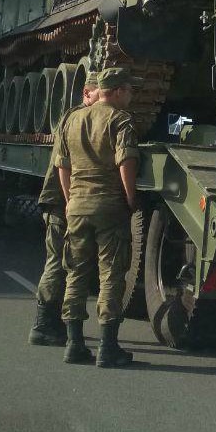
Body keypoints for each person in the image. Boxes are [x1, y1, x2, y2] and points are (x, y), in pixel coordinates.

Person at [54, 67, 140, 367]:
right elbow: (125, 159)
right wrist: (130, 198)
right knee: (110, 276)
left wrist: (69, 200)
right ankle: (107, 347)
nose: (131, 95)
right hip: (108, 206)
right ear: (116, 91)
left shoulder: (72, 118)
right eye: (129, 90)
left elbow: (62, 166)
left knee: (76, 273)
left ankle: (74, 344)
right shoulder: (120, 119)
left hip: (77, 205)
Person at [27, 82, 99, 346]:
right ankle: (43, 324)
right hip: (61, 201)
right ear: (87, 93)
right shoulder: (75, 118)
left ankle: (51, 323)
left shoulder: (79, 117)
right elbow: (63, 166)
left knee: (63, 261)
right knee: (58, 260)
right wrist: (70, 203)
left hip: (64, 200)